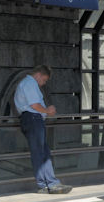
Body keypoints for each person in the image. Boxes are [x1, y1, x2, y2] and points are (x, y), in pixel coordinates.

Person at [14, 65, 71, 194]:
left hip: (32, 119)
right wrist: (47, 111)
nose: (43, 83)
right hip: (33, 119)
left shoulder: (27, 83)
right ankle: (48, 184)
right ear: (38, 75)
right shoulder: (30, 83)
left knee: (42, 152)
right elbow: (34, 105)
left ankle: (48, 183)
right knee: (41, 152)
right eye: (44, 80)